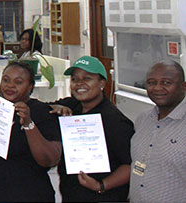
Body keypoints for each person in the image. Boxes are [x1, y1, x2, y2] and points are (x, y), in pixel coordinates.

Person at [0, 61, 61, 202]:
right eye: (6, 80)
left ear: (30, 87)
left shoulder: (41, 112)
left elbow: (50, 159)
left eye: (18, 82)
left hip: (29, 195)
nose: (10, 85)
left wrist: (29, 124)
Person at [49, 56, 133, 202]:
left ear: (102, 83)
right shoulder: (72, 105)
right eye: (74, 79)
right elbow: (40, 108)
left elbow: (130, 166)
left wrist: (101, 185)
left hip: (104, 197)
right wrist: (54, 107)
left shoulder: (115, 121)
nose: (79, 84)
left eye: (87, 79)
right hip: (71, 193)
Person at [128, 60, 186, 203]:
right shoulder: (143, 119)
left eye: (166, 83)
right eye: (151, 82)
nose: (157, 88)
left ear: (183, 86)